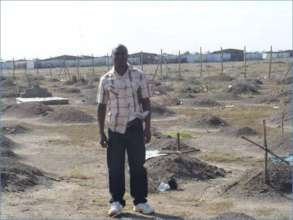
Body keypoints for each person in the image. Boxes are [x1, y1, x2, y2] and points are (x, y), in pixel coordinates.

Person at [97, 44, 154, 217]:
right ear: (112, 56)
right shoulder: (105, 79)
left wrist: (147, 128)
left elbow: (146, 102)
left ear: (127, 56)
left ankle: (140, 202)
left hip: (135, 127)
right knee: (115, 168)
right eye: (117, 54)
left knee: (138, 166)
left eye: (123, 54)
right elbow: (101, 106)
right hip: (114, 130)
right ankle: (116, 202)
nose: (120, 57)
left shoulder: (138, 75)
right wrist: (101, 133)